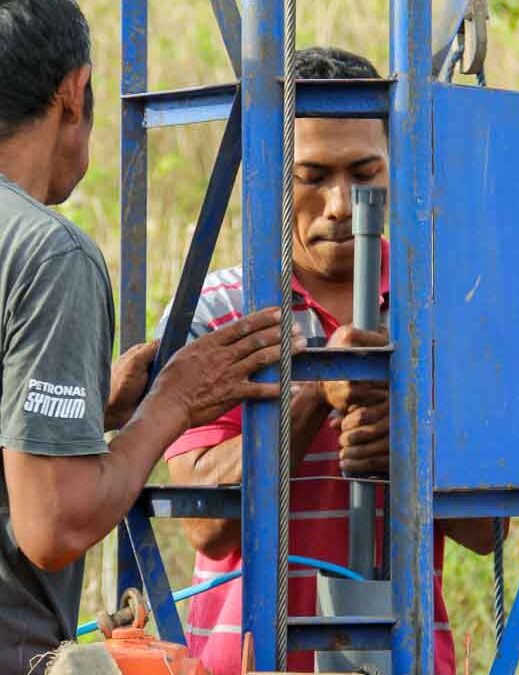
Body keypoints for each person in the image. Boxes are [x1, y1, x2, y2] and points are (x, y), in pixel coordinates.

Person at [161, 47, 497, 675]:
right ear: (267, 169)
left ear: (395, 163)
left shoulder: (444, 309)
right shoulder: (220, 309)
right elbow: (207, 525)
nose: (342, 205)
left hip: (399, 655)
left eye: (365, 172)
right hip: (249, 656)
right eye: (311, 176)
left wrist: (408, 453)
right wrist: (315, 393)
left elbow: (488, 534)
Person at [0, 2, 298, 673]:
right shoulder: (47, 256)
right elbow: (52, 523)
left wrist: (88, 406)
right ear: (73, 94)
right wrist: (173, 402)